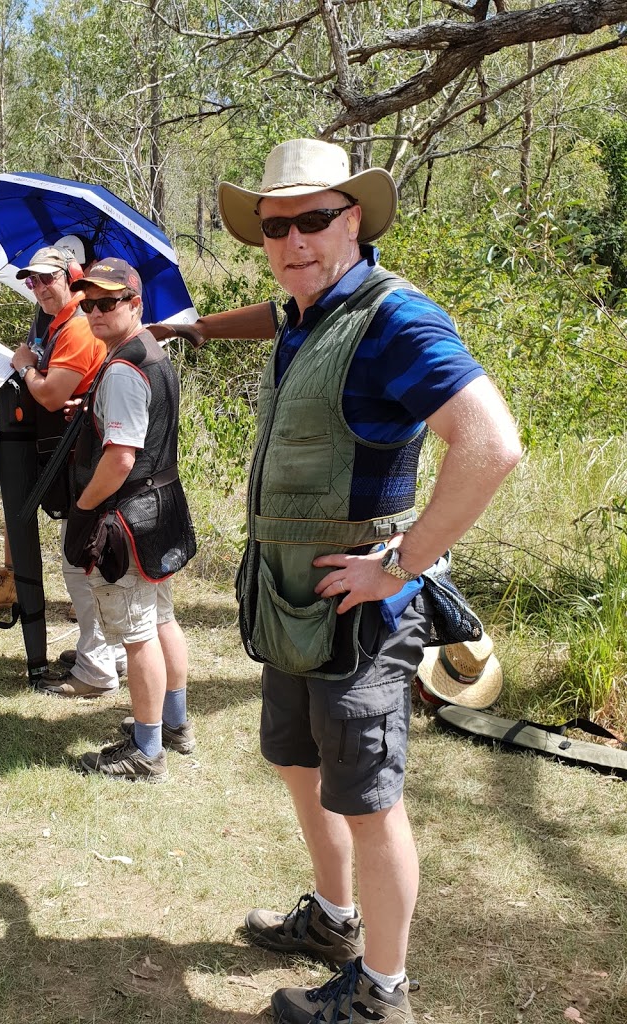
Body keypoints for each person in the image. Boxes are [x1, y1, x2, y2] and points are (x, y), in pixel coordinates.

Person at [206, 140, 522, 1023]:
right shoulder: (305, 311)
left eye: (314, 218)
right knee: (297, 763)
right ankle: (333, 921)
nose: (293, 238)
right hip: (288, 601)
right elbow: (266, 316)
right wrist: (186, 327)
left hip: (358, 613)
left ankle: (382, 993)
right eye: (276, 224)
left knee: (371, 802)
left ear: (355, 219)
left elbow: (492, 445)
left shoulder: (395, 318)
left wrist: (401, 564)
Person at [0, 244, 126, 698]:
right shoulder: (56, 323)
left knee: (82, 561)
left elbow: (52, 395)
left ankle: (99, 661)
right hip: (74, 454)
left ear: (70, 275)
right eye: (31, 281)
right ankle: (108, 651)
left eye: (47, 278)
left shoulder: (76, 326)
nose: (39, 288)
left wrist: (25, 368)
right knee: (88, 561)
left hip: (84, 460)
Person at [64, 258, 197, 781]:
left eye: (108, 302)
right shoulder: (153, 353)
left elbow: (120, 457)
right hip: (160, 505)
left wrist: (81, 510)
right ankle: (174, 724)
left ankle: (148, 752)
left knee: (138, 634)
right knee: (161, 618)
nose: (95, 312)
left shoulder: (123, 368)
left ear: (135, 305)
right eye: (88, 303)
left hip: (129, 515)